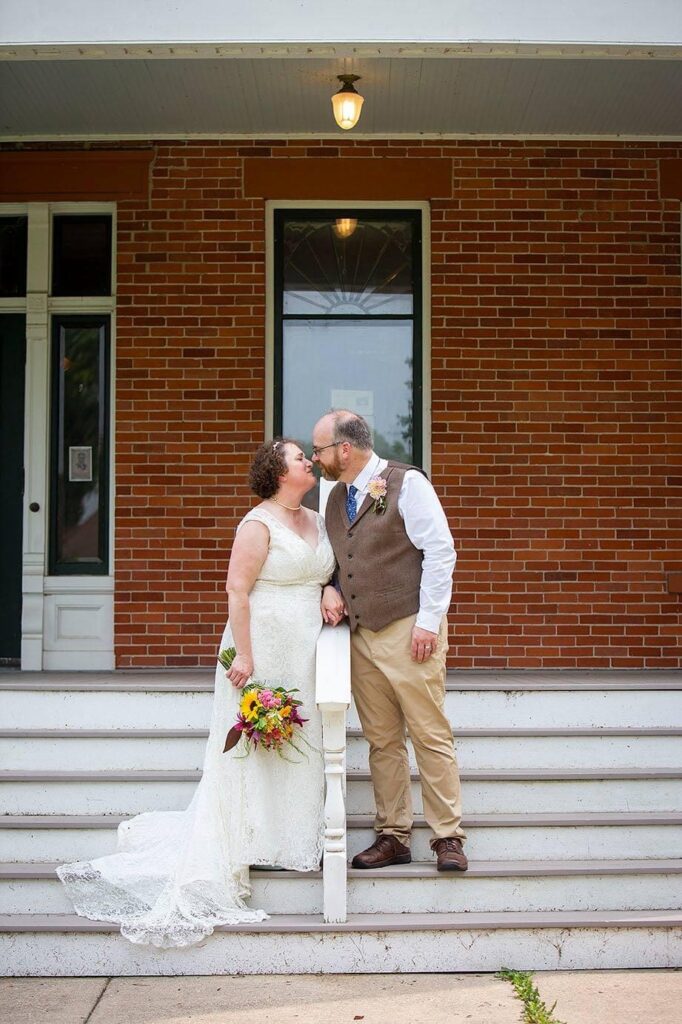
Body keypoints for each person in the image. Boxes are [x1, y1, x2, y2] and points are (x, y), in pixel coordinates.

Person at [57, 439, 336, 947]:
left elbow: (323, 571)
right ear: (278, 472)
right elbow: (237, 589)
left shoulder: (316, 520)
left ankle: (290, 838)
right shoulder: (257, 524)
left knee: (303, 738)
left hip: (306, 650)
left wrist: (330, 588)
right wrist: (246, 659)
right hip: (263, 645)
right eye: (300, 457)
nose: (309, 462)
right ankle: (244, 839)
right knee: (252, 745)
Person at [313, 410, 467, 872]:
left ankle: (447, 837)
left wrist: (428, 622)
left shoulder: (407, 483)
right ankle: (393, 835)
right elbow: (343, 561)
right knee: (382, 741)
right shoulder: (334, 499)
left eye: (319, 449)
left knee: (429, 733)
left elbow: (441, 551)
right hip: (361, 635)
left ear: (344, 448)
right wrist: (331, 587)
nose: (315, 457)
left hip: (408, 627)